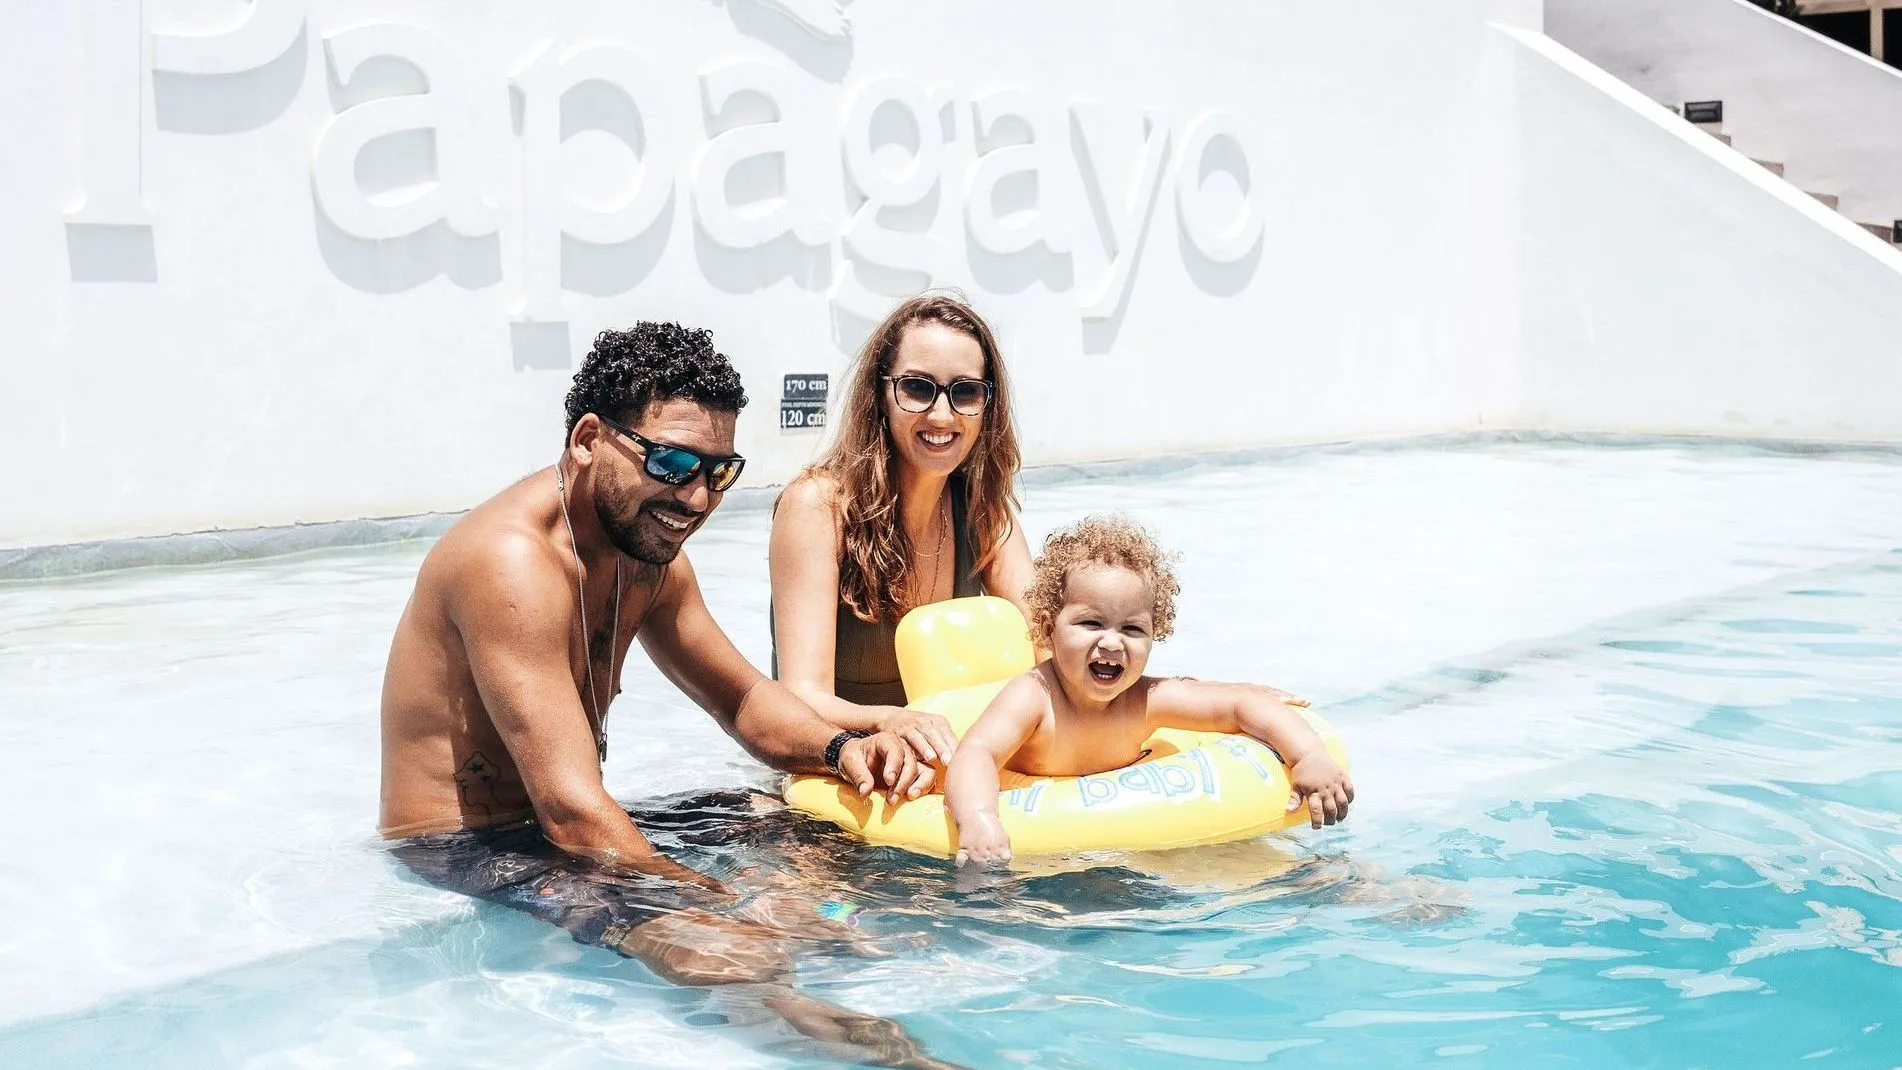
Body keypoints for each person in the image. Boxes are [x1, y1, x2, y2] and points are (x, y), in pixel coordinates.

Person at [379, 322, 954, 1069]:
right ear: (589, 439)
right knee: (721, 954)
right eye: (673, 461)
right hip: (466, 845)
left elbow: (744, 700)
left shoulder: (644, 556)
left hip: (560, 821)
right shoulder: (510, 563)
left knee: (785, 810)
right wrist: (711, 905)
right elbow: (571, 812)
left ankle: (815, 929)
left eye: (719, 472)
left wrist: (846, 748)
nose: (694, 496)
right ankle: (895, 1056)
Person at [946, 516, 1355, 866]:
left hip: (1131, 845)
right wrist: (980, 817)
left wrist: (1307, 755)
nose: (1111, 643)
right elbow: (977, 751)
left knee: (1287, 868)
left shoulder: (1144, 699)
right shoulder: (1034, 698)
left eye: (1133, 629)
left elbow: (1240, 704)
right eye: (1091, 624)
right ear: (1049, 627)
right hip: (1040, 849)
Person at [770, 293, 1035, 772]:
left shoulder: (984, 513)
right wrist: (894, 720)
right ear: (881, 394)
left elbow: (1049, 649)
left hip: (935, 775)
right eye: (917, 388)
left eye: (966, 392)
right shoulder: (818, 508)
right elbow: (798, 698)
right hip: (830, 782)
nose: (941, 415)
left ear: (987, 406)